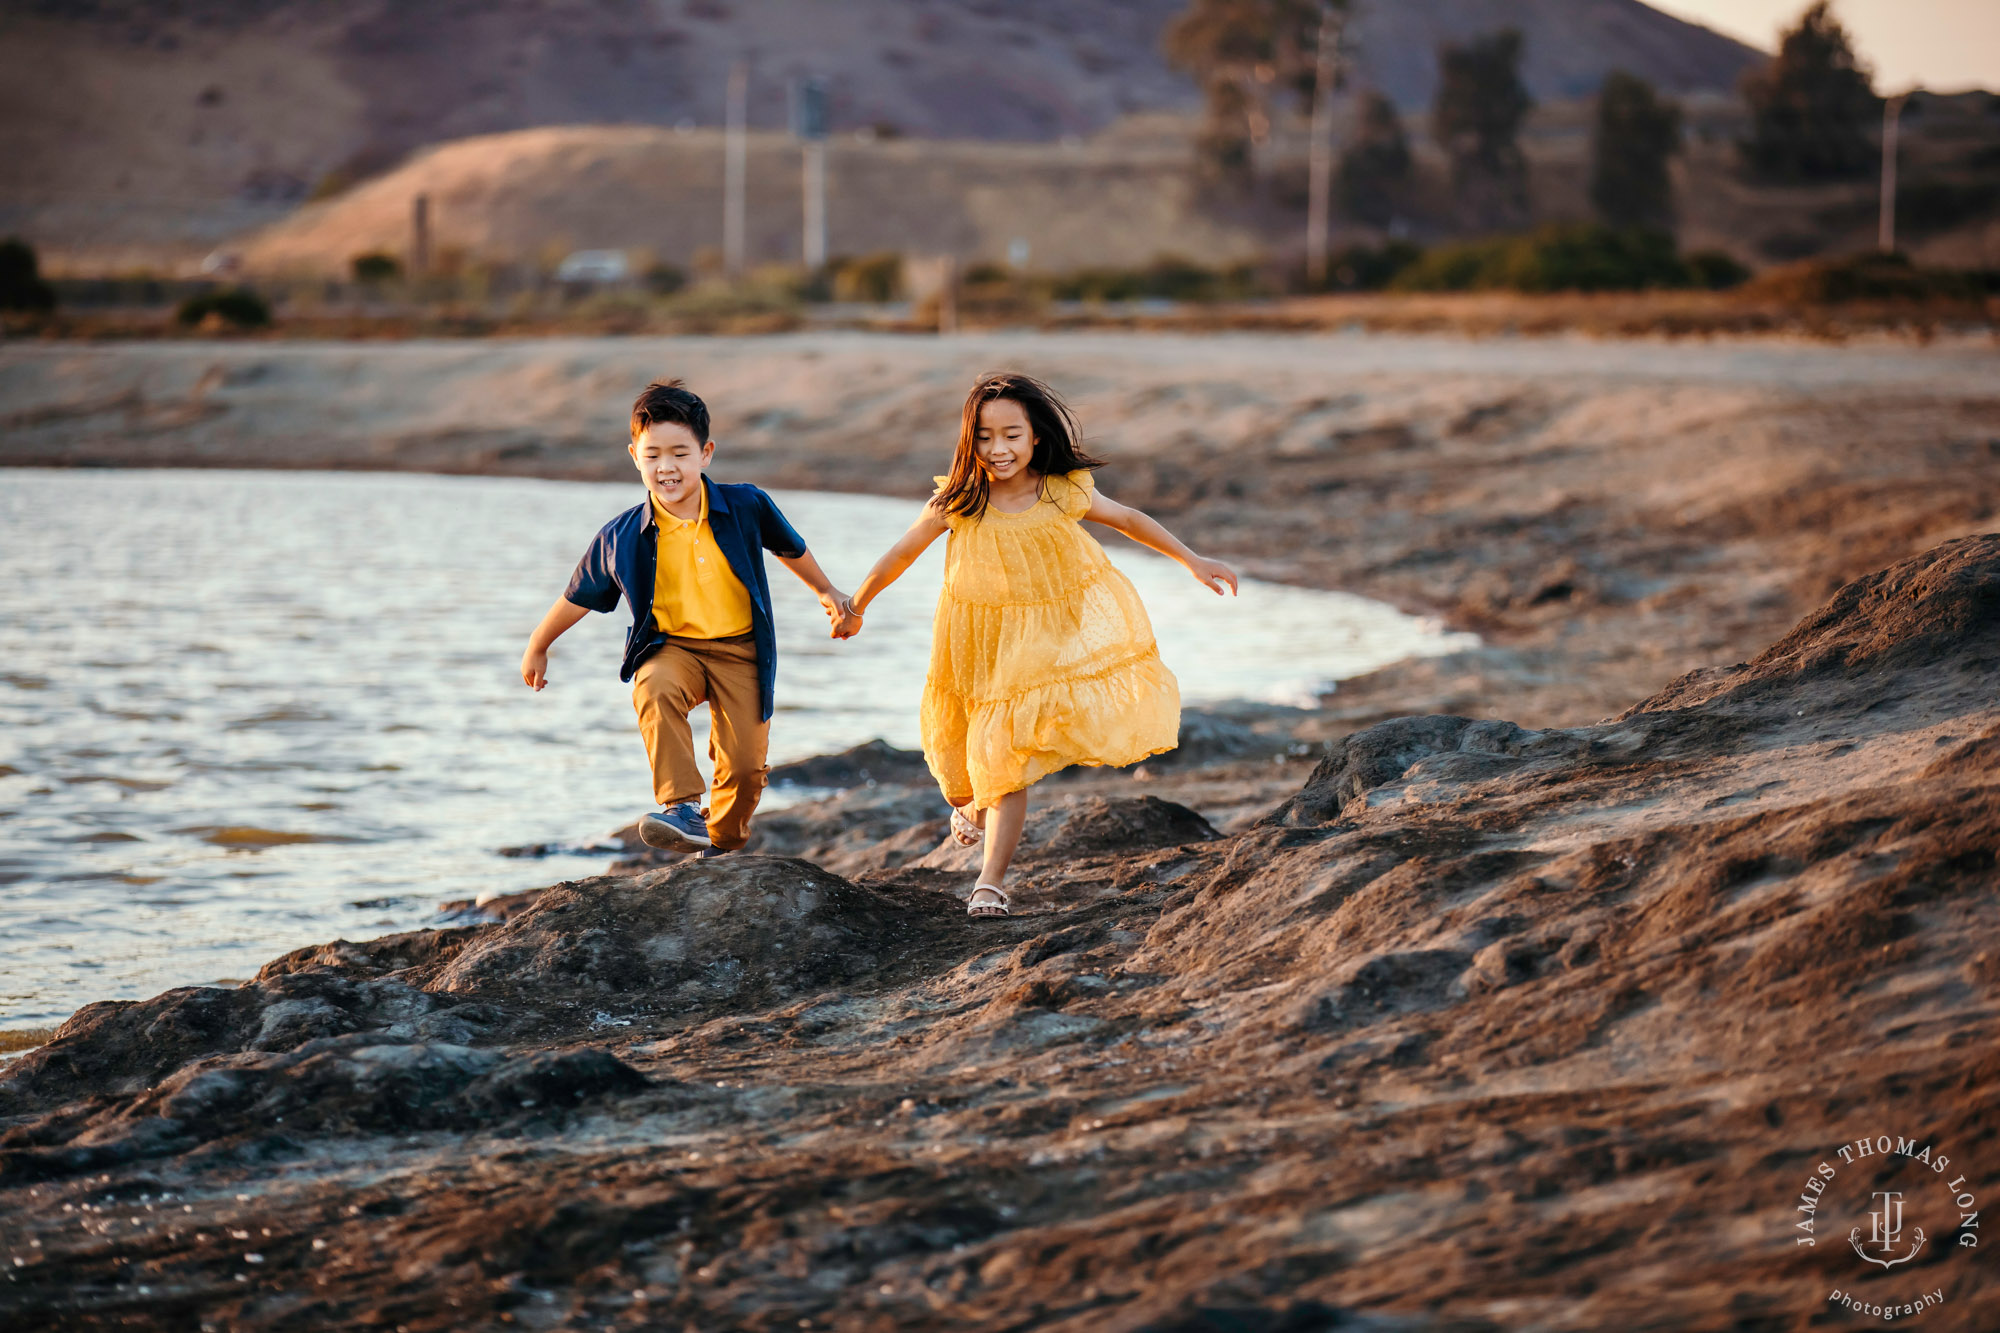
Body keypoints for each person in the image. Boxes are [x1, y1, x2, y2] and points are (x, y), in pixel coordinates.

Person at [841, 372, 1236, 916]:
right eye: (984, 436)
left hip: (1044, 635)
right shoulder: (961, 499)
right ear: (969, 440)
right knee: (963, 759)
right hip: (974, 639)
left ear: (1036, 439)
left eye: (1011, 435)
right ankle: (972, 806)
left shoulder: (1058, 490)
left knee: (1006, 751)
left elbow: (1127, 520)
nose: (997, 449)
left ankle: (990, 883)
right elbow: (902, 552)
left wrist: (1192, 559)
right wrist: (856, 604)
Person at [520, 379, 852, 856]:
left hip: (742, 652)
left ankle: (721, 840)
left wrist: (828, 592)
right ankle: (679, 805)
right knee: (652, 686)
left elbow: (790, 548)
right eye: (652, 455)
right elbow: (580, 594)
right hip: (674, 648)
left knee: (743, 769)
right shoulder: (623, 535)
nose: (666, 467)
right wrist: (538, 643)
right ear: (634, 455)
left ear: (706, 453)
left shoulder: (745, 505)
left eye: (680, 453)